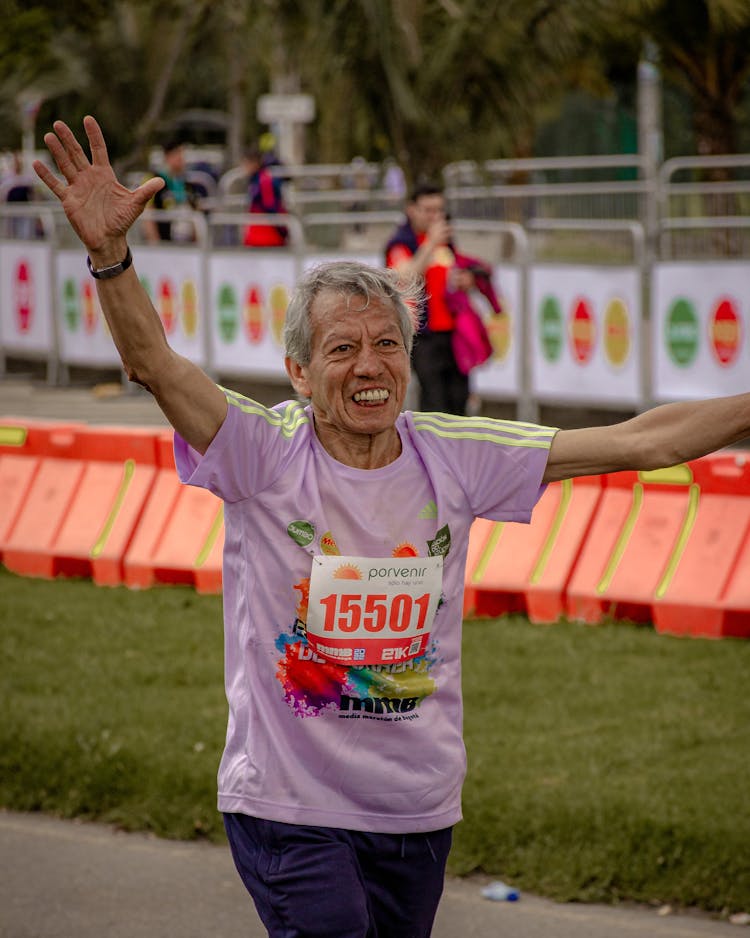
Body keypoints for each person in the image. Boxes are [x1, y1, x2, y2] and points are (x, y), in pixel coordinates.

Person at [34, 116, 750, 938]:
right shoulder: (262, 451)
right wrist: (110, 257)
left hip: (416, 811)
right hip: (288, 805)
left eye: (387, 345)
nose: (369, 366)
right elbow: (155, 364)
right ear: (298, 372)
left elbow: (642, 441)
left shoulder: (458, 454)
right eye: (341, 350)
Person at [385, 183, 497, 416]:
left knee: (459, 400)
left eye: (439, 211)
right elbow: (404, 278)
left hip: (454, 335)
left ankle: (459, 452)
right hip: (424, 337)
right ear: (411, 210)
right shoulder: (402, 243)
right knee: (434, 405)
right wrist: (430, 243)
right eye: (428, 210)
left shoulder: (446, 243)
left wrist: (468, 280)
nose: (435, 217)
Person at [142, 138, 201, 243]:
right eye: (178, 154)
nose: (182, 159)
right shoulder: (154, 180)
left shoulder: (187, 184)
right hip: (164, 243)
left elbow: (195, 212)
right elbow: (148, 213)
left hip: (186, 245)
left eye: (182, 155)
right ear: (167, 156)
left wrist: (197, 241)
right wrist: (154, 242)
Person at [241, 145, 288, 248]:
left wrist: (283, 232)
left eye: (246, 163)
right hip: (257, 236)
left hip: (268, 237)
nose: (244, 167)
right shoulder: (254, 180)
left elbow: (271, 207)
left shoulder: (264, 180)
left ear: (255, 163)